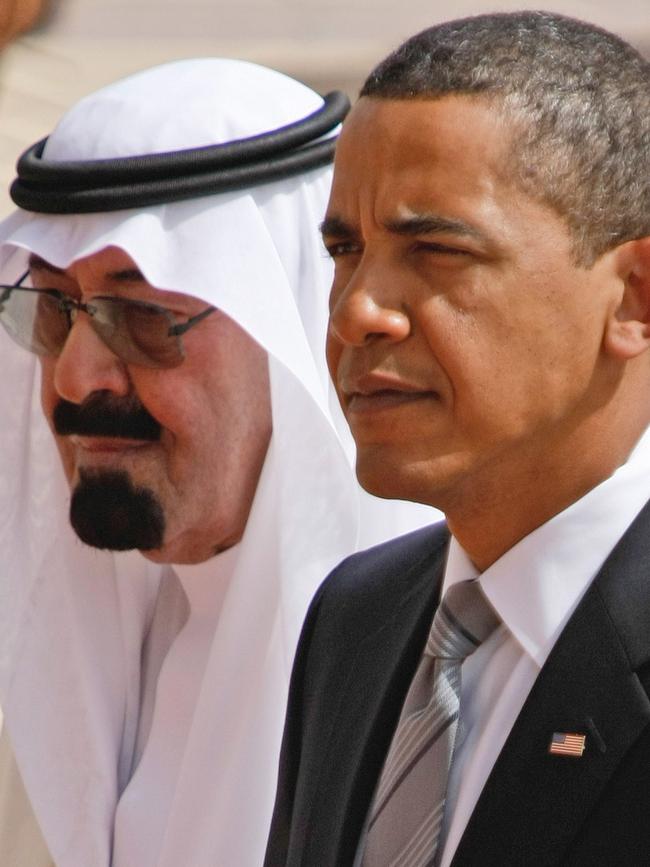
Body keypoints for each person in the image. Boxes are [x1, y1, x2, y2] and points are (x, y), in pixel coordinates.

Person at [0, 58, 432, 867]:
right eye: (55, 309)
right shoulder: (56, 664)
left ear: (294, 328)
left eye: (144, 315)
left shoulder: (428, 691)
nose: (74, 377)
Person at [265, 11, 650, 867]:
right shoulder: (358, 620)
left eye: (435, 249)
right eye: (344, 250)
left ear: (633, 297)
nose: (359, 309)